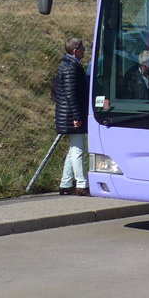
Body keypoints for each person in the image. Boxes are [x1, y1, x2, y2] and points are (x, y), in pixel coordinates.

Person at [52, 37, 90, 196]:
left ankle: (66, 183)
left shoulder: (68, 65)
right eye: (82, 49)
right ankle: (81, 185)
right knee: (78, 150)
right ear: (75, 51)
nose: (84, 51)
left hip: (67, 114)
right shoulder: (71, 68)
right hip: (71, 114)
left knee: (73, 149)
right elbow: (70, 94)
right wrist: (77, 116)